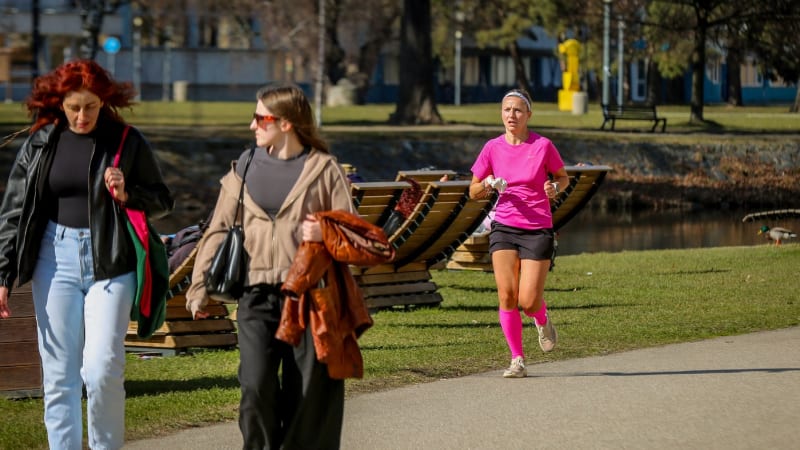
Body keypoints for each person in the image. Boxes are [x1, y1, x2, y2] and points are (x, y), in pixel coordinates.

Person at [0, 59, 174, 449]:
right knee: (59, 376)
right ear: (59, 103)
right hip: (53, 258)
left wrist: (128, 193)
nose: (82, 116)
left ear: (104, 102)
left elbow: (163, 200)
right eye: (74, 107)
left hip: (110, 262)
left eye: (91, 106)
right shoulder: (41, 142)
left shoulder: (126, 141)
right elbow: (14, 210)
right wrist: (3, 274)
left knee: (101, 370)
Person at [186, 83, 357, 449]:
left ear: (285, 123)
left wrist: (325, 230)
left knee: (308, 395)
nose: (252, 125)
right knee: (255, 386)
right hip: (256, 295)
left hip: (310, 298)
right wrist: (199, 287)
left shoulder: (324, 168)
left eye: (260, 118)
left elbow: (353, 233)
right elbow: (218, 228)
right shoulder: (245, 166)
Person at [468, 88, 570, 378]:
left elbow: (563, 177)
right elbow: (473, 191)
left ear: (528, 115)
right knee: (507, 295)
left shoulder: (543, 146)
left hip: (537, 228)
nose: (511, 115)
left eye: (517, 110)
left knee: (528, 301)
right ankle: (517, 359)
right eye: (506, 109)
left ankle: (541, 317)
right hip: (504, 227)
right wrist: (488, 184)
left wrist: (554, 187)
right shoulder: (492, 148)